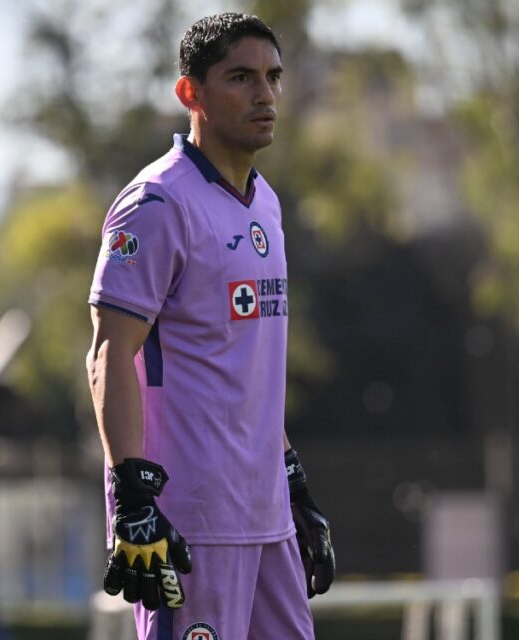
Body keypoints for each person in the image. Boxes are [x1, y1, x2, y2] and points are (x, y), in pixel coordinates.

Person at [86, 12, 335, 640]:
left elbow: (244, 367)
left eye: (273, 77)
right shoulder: (156, 205)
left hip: (266, 517)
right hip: (192, 520)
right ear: (190, 92)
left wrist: (292, 479)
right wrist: (133, 500)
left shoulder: (267, 204)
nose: (265, 94)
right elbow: (109, 355)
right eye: (241, 77)